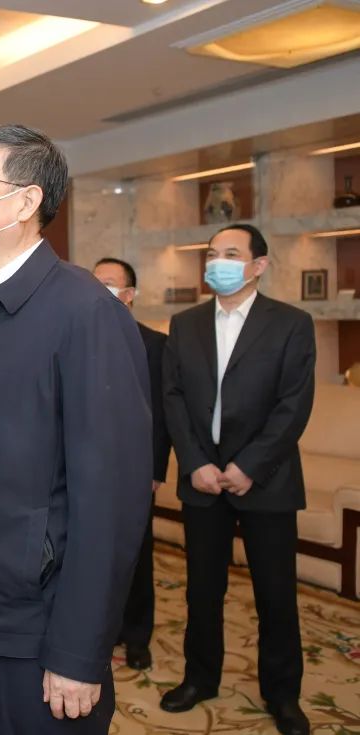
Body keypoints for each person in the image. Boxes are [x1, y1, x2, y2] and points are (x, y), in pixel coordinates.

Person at [0, 124, 152, 735]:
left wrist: (79, 649)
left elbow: (111, 501)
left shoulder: (85, 313)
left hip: (36, 626)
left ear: (24, 202)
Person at [160, 224, 315, 735]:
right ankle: (199, 678)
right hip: (203, 479)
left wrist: (249, 466)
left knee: (276, 595)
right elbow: (173, 397)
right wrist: (195, 462)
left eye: (230, 253)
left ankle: (282, 695)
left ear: (258, 265)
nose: (217, 262)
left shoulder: (291, 324)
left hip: (266, 480)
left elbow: (293, 405)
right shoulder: (185, 323)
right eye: (212, 254)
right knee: (202, 591)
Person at [93, 257, 172, 671]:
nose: (98, 288)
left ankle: (138, 637)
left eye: (107, 282)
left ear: (129, 294)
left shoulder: (155, 344)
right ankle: (104, 630)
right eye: (93, 281)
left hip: (135, 471)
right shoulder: (79, 335)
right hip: (87, 467)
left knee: (137, 556)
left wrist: (155, 470)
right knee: (93, 556)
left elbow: (161, 412)